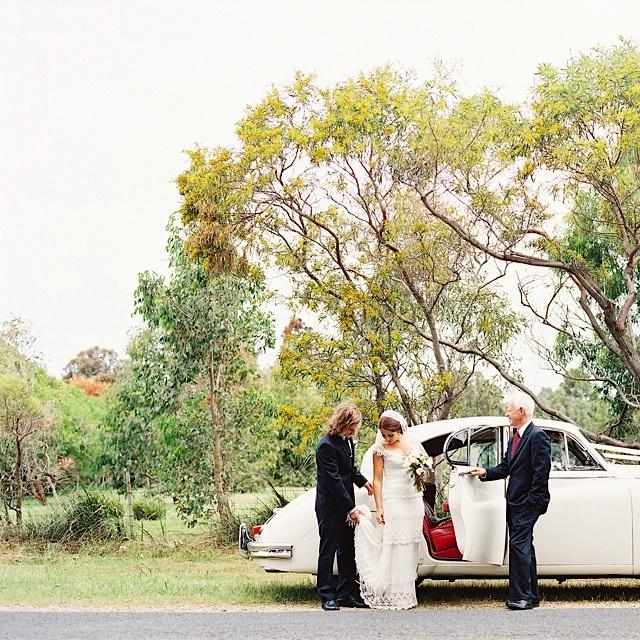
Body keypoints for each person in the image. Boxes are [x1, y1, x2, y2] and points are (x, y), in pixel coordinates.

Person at [469, 391, 551, 611]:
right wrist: (484, 472)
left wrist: (531, 502)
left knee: (518, 547)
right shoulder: (515, 437)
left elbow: (541, 474)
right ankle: (532, 595)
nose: (507, 413)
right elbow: (506, 468)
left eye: (509, 409)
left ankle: (521, 598)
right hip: (514, 503)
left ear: (521, 412)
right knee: (525, 548)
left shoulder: (537, 436)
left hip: (527, 504)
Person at [353, 409, 427, 610]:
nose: (386, 439)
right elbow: (377, 480)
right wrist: (379, 507)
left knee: (409, 544)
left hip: (412, 499)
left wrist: (420, 475)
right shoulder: (380, 450)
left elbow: (422, 472)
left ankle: (407, 593)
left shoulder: (412, 446)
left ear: (400, 430)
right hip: (393, 499)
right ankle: (393, 594)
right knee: (394, 543)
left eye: (390, 435)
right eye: (384, 435)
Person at [315, 401, 373, 611]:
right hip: (330, 506)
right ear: (342, 424)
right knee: (328, 549)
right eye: (352, 427)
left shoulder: (347, 441)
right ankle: (326, 594)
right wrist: (351, 508)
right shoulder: (325, 446)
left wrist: (362, 480)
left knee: (347, 549)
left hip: (345, 502)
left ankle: (346, 593)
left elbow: (349, 468)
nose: (354, 431)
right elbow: (334, 481)